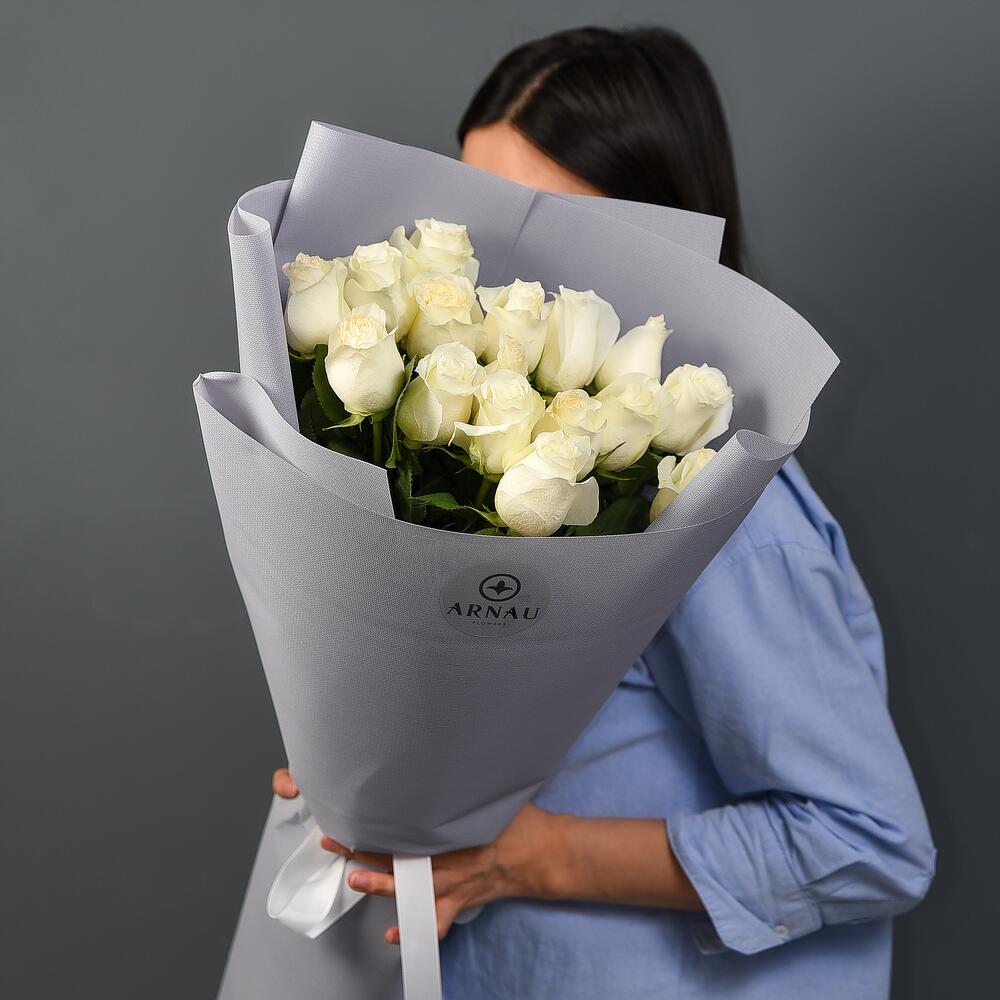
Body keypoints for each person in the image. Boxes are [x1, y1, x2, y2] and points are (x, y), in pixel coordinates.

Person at [271, 26, 935, 999]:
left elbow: (871, 841)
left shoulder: (720, 511)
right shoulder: (475, 460)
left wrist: (534, 857)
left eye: (544, 222)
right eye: (476, 211)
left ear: (659, 234)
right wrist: (368, 768)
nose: (501, 272)